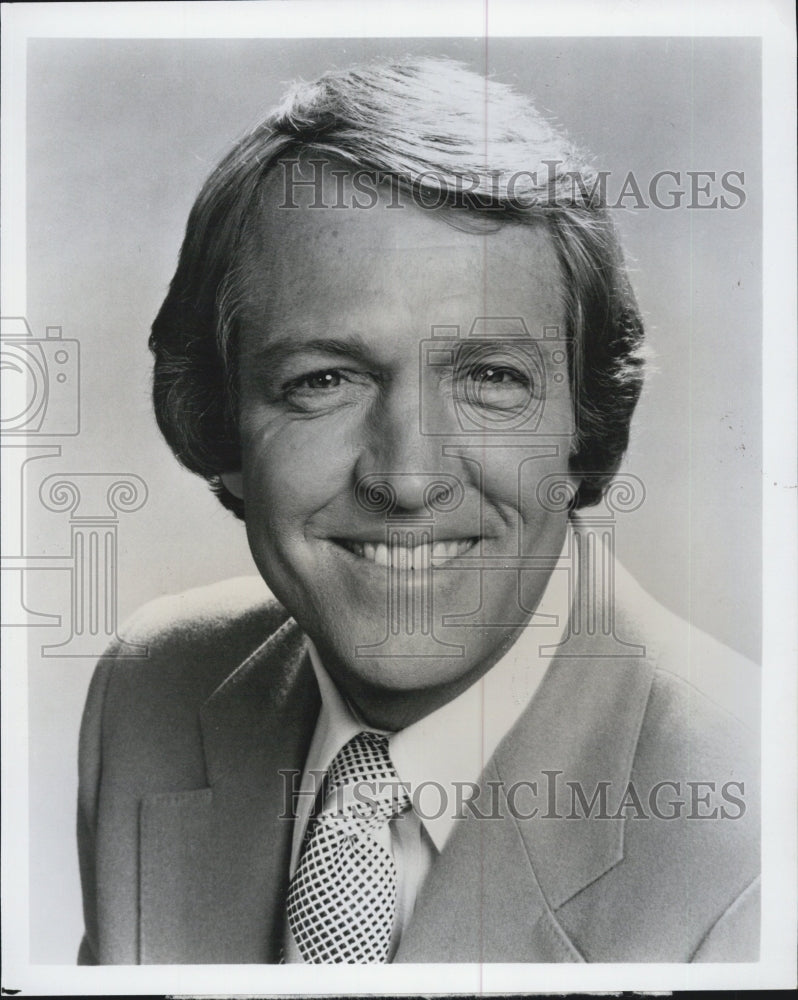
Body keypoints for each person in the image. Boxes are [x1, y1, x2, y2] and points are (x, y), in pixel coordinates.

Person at [77, 58, 759, 965]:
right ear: (222, 420)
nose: (405, 479)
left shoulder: (760, 828)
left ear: (583, 426)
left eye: (489, 380)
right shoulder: (149, 692)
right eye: (323, 380)